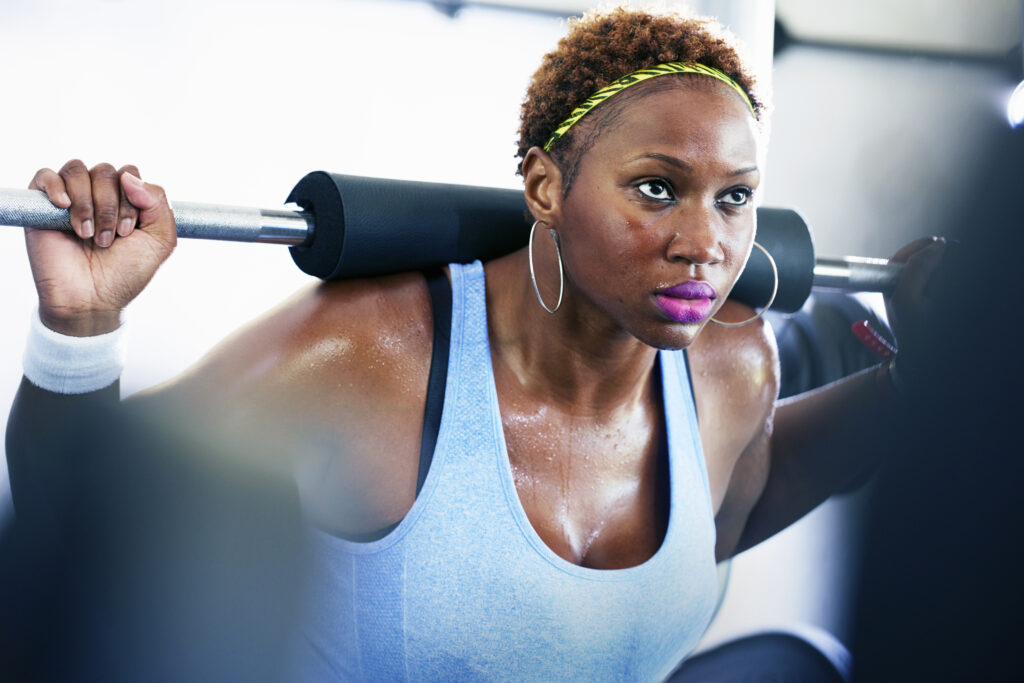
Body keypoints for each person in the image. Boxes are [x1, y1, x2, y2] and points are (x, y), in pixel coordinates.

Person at [7, 6, 945, 681]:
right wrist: (82, 324)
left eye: (733, 196)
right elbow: (84, 513)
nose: (704, 240)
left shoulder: (737, 365)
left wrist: (935, 374)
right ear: (545, 187)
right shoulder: (369, 358)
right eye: (657, 187)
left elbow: (741, 494)